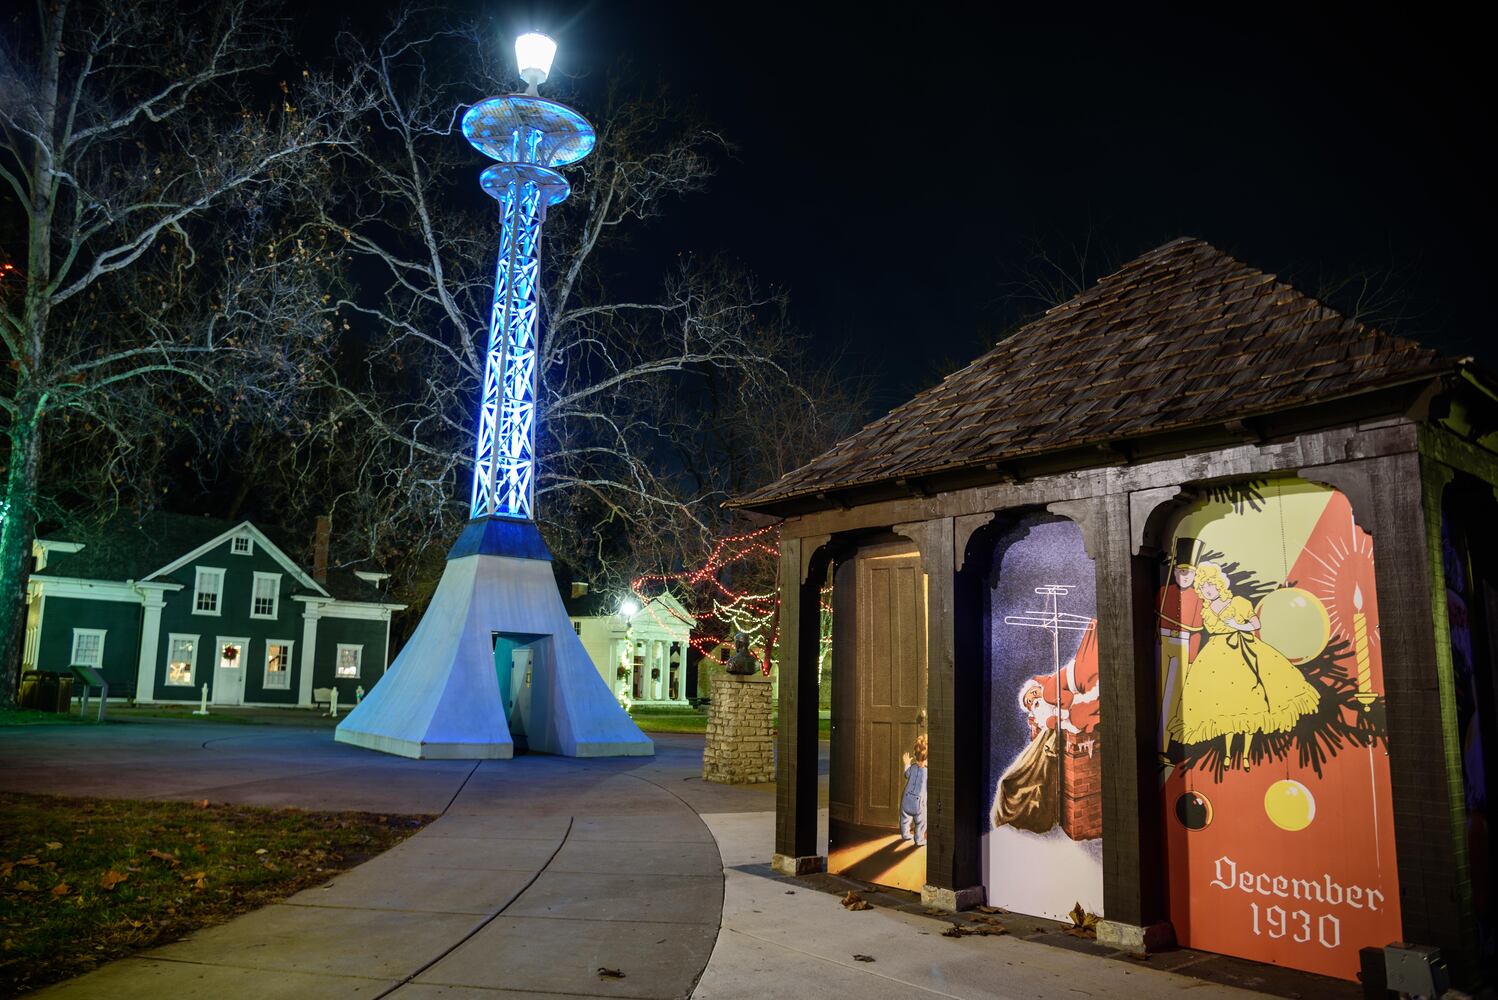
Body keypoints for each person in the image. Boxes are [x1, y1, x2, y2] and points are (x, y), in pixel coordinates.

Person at [1169, 563, 1320, 749]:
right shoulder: (1205, 610)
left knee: (1250, 693)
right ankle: (1227, 749)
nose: (1207, 590)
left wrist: (1238, 625)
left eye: (1210, 584)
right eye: (1203, 586)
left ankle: (1246, 747)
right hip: (1215, 655)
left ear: (1219, 583)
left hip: (1242, 648)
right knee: (1218, 698)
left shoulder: (1238, 602)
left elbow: (1256, 624)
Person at [899, 733, 928, 847]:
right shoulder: (927, 772)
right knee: (921, 822)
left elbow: (906, 774)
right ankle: (919, 839)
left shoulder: (912, 767)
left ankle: (905, 834)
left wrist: (906, 763)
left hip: (906, 800)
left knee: (904, 819)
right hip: (918, 803)